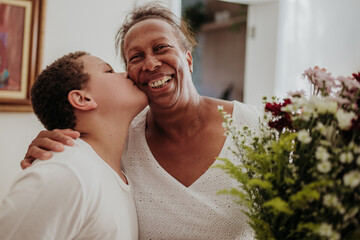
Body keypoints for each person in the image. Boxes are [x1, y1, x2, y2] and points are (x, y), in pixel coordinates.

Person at [21, 3, 262, 239]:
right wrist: (54, 144)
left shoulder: (255, 125)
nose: (151, 64)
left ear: (188, 60)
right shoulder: (121, 139)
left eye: (161, 48)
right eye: (136, 57)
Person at [0, 51, 148, 239]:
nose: (127, 73)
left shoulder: (118, 174)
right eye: (109, 71)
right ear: (82, 99)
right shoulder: (65, 173)